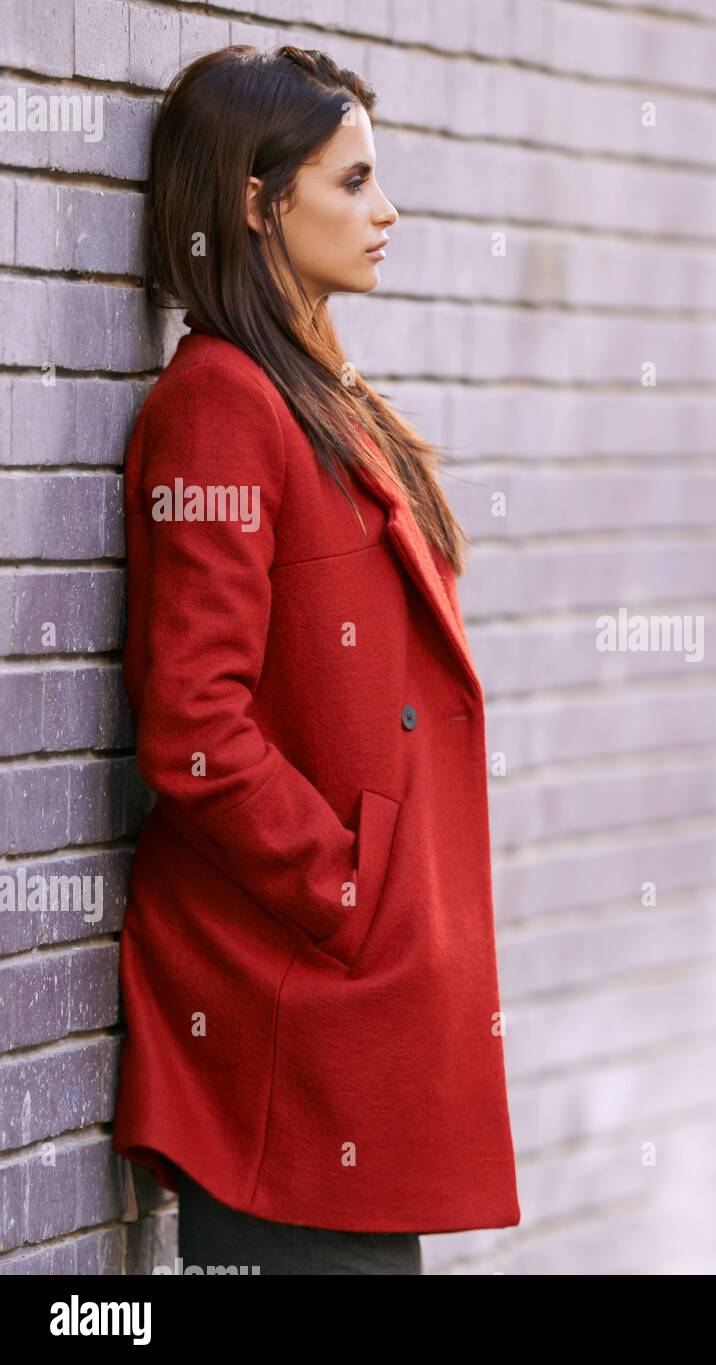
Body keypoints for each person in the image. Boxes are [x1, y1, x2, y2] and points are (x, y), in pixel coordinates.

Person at [112, 44, 522, 1275]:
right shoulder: (221, 406)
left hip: (356, 1005)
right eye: (351, 183)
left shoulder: (314, 397)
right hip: (285, 1007)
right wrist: (350, 887)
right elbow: (194, 723)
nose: (384, 212)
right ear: (257, 198)